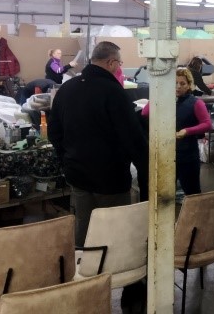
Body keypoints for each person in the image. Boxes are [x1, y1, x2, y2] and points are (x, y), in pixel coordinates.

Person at [48, 41, 149, 246]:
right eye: (119, 63)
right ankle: (114, 267)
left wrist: (67, 160)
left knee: (84, 231)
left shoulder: (67, 88)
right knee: (114, 234)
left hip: (77, 174)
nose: (119, 67)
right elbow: (132, 139)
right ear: (111, 62)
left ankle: (84, 265)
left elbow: (54, 132)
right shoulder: (114, 92)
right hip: (111, 178)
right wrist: (145, 175)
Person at [143, 68, 211, 196]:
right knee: (165, 194)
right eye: (174, 83)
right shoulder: (165, 100)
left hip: (187, 156)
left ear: (189, 85)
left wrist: (187, 131)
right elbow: (145, 113)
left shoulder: (196, 103)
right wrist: (159, 93)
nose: (178, 86)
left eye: (182, 83)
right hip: (166, 155)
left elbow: (207, 124)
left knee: (192, 193)